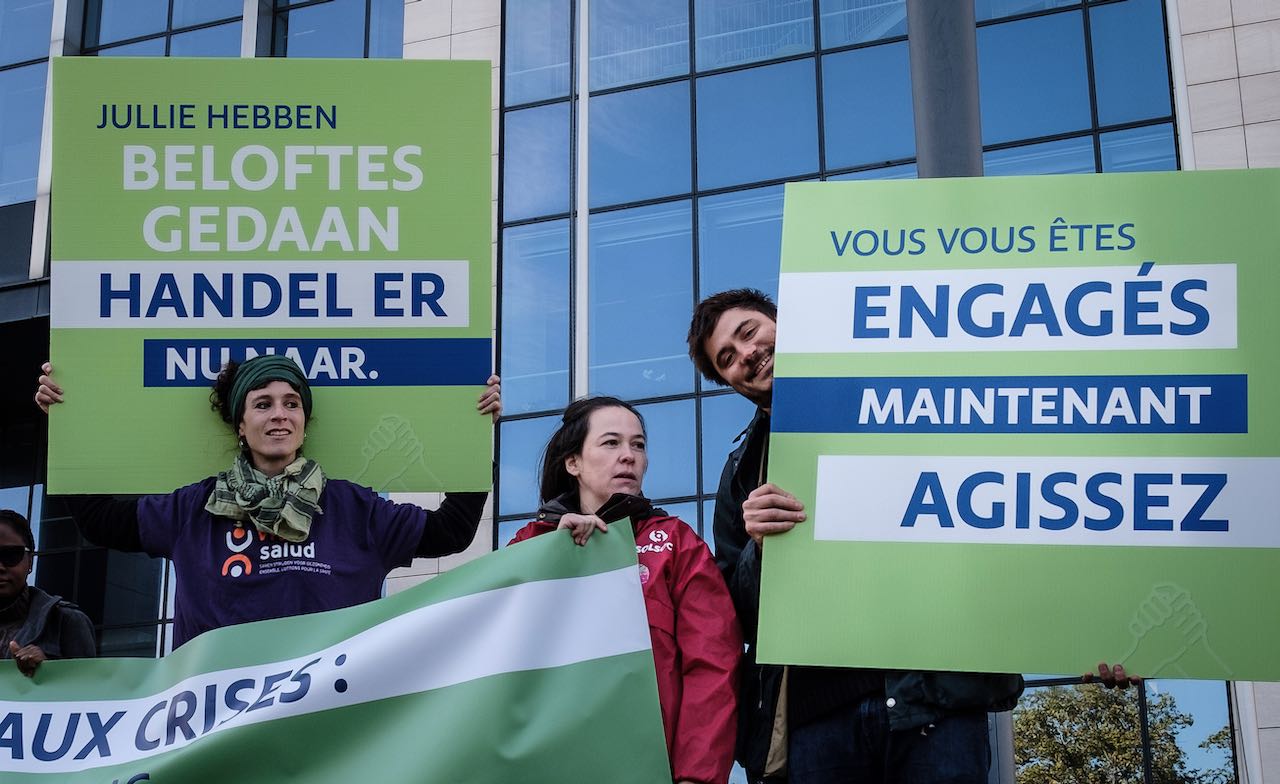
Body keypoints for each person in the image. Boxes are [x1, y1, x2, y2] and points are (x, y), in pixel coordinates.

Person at [687, 289, 1137, 784]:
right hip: (815, 725)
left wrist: (1101, 626)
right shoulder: (741, 476)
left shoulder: (924, 403)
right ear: (727, 381)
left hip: (933, 706)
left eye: (749, 332)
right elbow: (731, 620)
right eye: (726, 358)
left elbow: (1029, 512)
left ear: (784, 320)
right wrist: (758, 549)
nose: (747, 354)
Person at [35, 356, 501, 649]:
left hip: (332, 725)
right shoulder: (194, 509)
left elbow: (451, 531)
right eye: (262, 404)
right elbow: (98, 521)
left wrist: (475, 436)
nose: (279, 414)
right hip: (217, 726)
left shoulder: (351, 507)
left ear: (304, 420)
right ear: (240, 424)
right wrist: (67, 424)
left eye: (291, 403)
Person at [507, 396, 742, 784]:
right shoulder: (530, 547)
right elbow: (500, 655)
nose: (629, 456)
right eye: (611, 443)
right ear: (573, 463)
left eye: (638, 444)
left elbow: (714, 664)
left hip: (652, 769)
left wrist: (695, 777)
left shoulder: (677, 544)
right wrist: (554, 556)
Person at [0, 509, 96, 676]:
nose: (0, 567)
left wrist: (49, 671)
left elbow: (90, 690)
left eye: (10, 555)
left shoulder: (67, 621)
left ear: (30, 560)